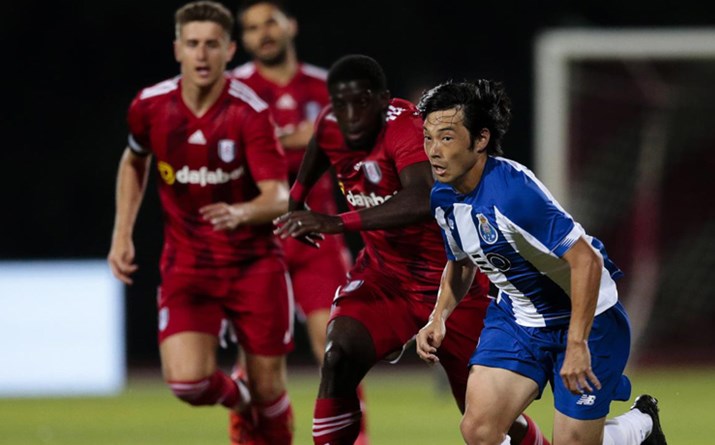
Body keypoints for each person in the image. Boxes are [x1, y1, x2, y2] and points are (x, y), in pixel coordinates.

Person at [274, 54, 549, 445]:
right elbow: (320, 141)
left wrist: (336, 222)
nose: (350, 115)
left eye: (362, 103)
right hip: (383, 278)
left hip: (452, 283)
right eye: (340, 104)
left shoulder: (406, 130)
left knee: (485, 425)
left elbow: (422, 198)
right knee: (338, 356)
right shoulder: (332, 122)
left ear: (383, 100)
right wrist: (296, 199)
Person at [415, 79, 667, 445]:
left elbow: (587, 263)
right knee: (479, 430)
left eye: (447, 137)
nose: (434, 151)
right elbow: (461, 262)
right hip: (519, 319)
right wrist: (438, 317)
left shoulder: (514, 194)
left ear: (480, 139)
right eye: (428, 138)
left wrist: (578, 343)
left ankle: (641, 424)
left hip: (587, 318)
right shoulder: (442, 196)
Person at [107, 2, 294, 444]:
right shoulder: (150, 106)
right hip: (188, 265)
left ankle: (258, 407)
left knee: (271, 392)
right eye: (192, 44)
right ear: (177, 49)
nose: (202, 54)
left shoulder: (249, 112)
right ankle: (239, 397)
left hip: (253, 265)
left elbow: (279, 196)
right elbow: (134, 160)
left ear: (230, 50)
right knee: (188, 383)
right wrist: (122, 234)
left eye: (212, 44)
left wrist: (241, 212)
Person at [232, 2, 367, 444]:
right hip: (253, 240)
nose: (262, 33)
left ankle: (353, 439)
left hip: (316, 236)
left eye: (270, 21)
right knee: (256, 361)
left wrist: (269, 137)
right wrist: (304, 134)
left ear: (292, 24)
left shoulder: (326, 84)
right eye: (251, 28)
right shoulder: (234, 88)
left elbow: (351, 137)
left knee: (339, 348)